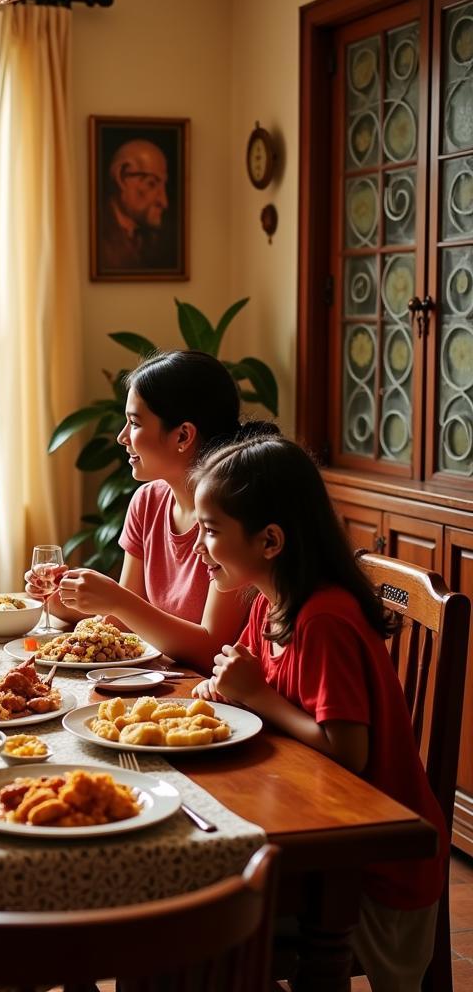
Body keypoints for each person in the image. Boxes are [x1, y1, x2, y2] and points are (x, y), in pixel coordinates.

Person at [190, 435, 448, 991]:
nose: (198, 545)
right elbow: (250, 683)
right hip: (309, 819)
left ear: (270, 540)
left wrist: (254, 696)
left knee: (197, 916)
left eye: (210, 530)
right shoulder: (270, 599)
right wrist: (224, 689)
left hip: (370, 867)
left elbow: (348, 753)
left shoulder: (323, 619)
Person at [34, 350, 260, 671]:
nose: (122, 437)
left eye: (134, 422)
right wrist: (59, 595)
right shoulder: (148, 501)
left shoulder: (235, 515)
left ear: (183, 435)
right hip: (167, 679)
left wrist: (117, 600)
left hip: (217, 695)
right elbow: (123, 621)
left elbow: (213, 649)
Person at [98, 138, 170, 272]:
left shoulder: (150, 241)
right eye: (151, 184)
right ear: (121, 178)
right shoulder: (99, 239)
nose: (164, 202)